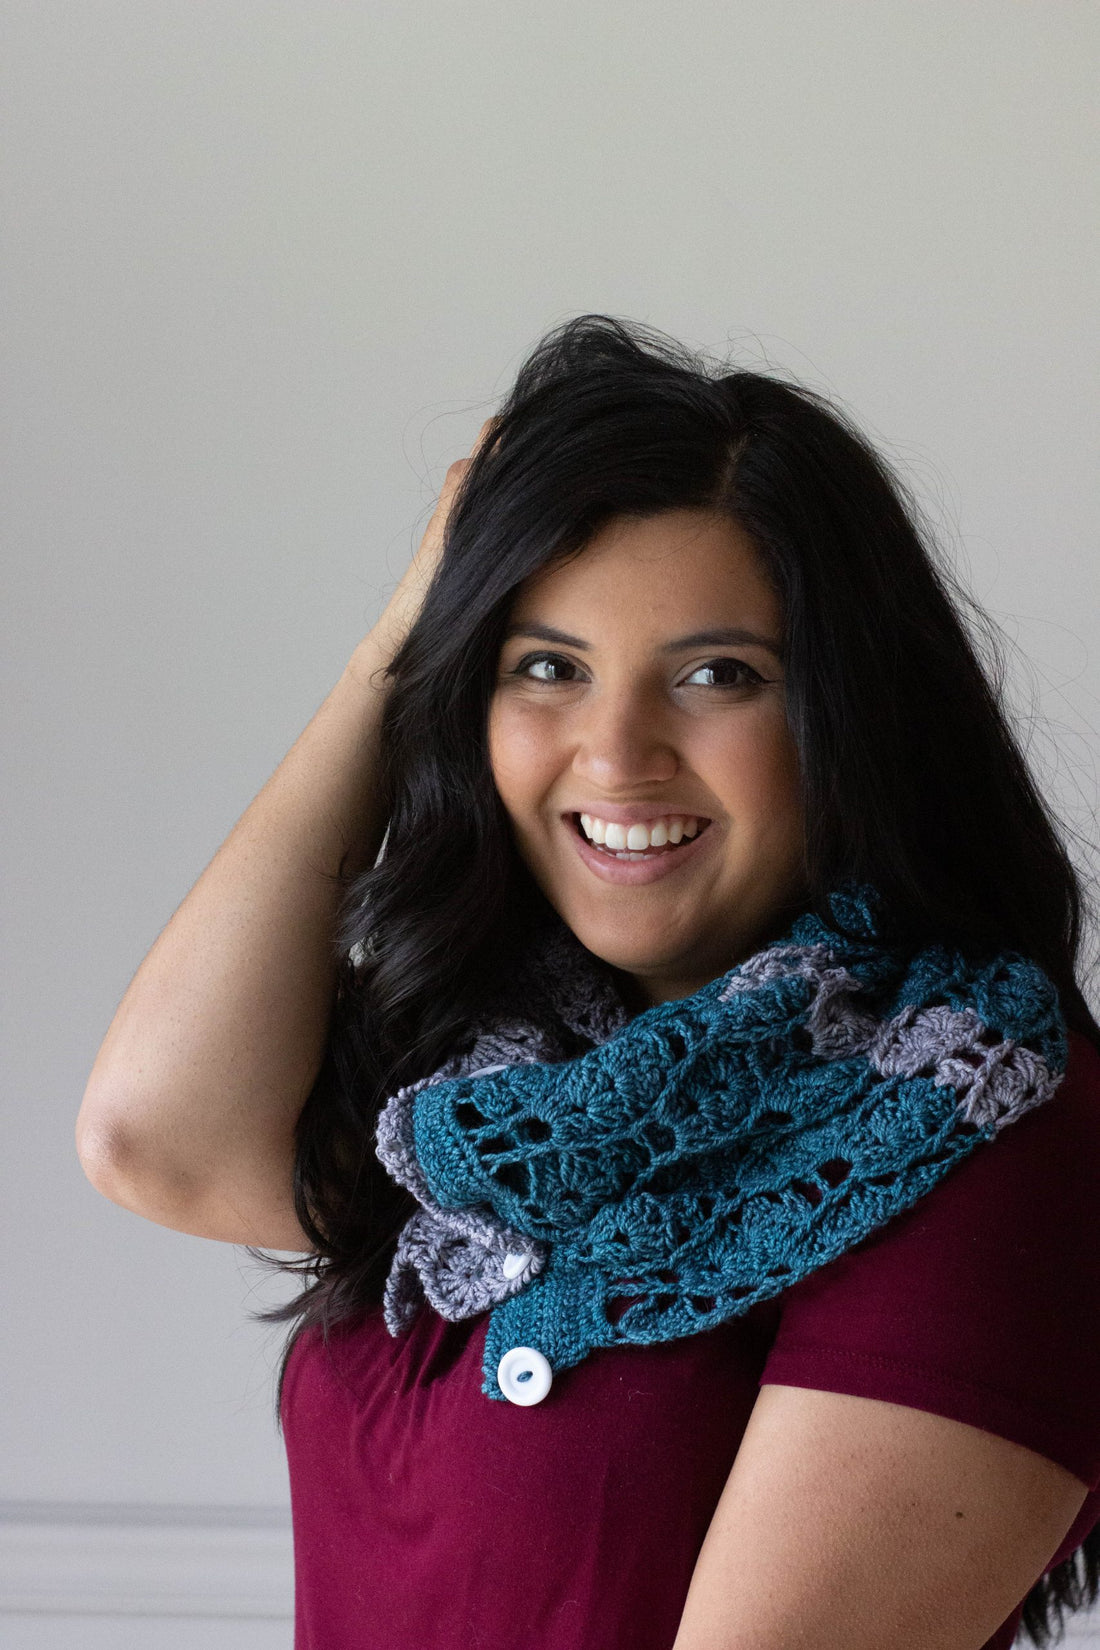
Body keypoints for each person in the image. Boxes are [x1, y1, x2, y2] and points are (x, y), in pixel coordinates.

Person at [77, 314, 1100, 1650]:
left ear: (847, 713)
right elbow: (154, 1135)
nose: (615, 753)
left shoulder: (988, 1120)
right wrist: (400, 636)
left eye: (715, 676)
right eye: (546, 667)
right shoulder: (483, 1084)